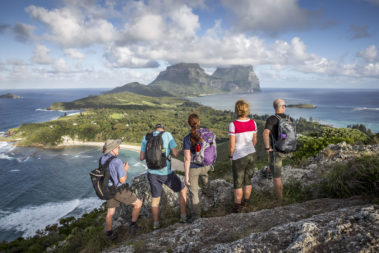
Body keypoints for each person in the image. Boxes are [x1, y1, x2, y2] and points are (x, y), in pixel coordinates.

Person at [140, 124, 188, 229]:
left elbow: (141, 157)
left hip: (152, 173)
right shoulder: (167, 135)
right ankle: (183, 217)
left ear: (155, 130)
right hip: (166, 173)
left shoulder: (146, 137)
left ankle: (156, 224)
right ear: (163, 129)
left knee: (155, 199)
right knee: (183, 189)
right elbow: (175, 154)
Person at [101, 139, 142, 240]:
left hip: (108, 189)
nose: (119, 148)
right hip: (118, 190)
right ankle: (133, 225)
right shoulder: (117, 161)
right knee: (138, 204)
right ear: (113, 149)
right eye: (118, 147)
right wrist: (125, 169)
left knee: (110, 213)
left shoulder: (102, 159)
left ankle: (110, 234)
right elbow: (122, 180)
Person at [228, 100, 258, 213]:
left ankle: (237, 207)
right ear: (247, 109)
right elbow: (255, 140)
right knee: (248, 180)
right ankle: (246, 204)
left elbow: (231, 145)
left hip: (239, 156)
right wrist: (249, 149)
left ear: (236, 110)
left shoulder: (233, 125)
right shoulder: (253, 123)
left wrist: (231, 157)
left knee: (238, 182)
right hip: (251, 154)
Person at [183, 113, 212, 220]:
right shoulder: (206, 134)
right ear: (198, 122)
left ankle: (196, 217)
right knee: (205, 180)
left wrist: (186, 176)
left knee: (194, 192)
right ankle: (209, 195)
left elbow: (187, 159)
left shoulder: (187, 138)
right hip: (206, 166)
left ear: (189, 123)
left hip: (193, 168)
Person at [263, 98, 290, 201]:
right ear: (283, 107)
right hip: (288, 149)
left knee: (277, 178)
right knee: (272, 164)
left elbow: (265, 133)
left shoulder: (271, 119)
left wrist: (267, 147)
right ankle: (269, 170)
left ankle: (280, 200)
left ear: (275, 107)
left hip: (277, 151)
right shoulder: (289, 118)